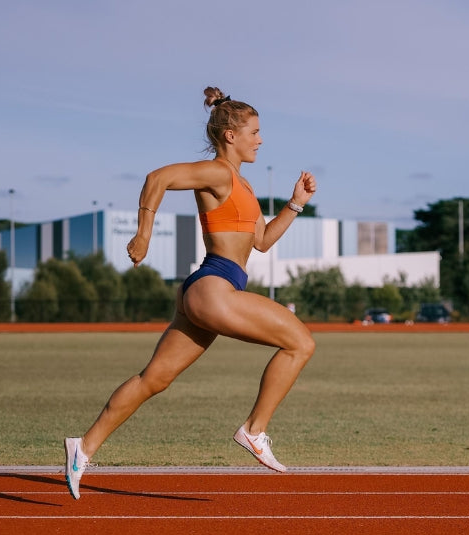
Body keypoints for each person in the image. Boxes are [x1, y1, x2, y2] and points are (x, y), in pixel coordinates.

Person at [64, 86, 317, 499]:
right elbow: (157, 178)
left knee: (154, 379)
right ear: (230, 136)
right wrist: (143, 233)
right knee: (300, 343)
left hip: (206, 290)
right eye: (254, 131)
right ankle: (254, 430)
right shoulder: (218, 172)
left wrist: (295, 204)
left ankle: (83, 447)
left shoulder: (243, 186)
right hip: (213, 286)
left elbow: (262, 241)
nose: (261, 139)